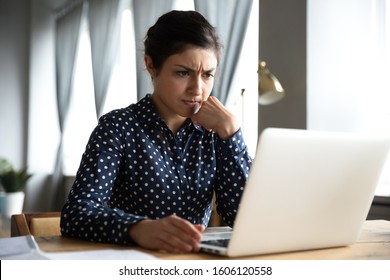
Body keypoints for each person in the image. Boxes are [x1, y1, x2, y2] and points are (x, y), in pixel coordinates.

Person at [60, 10, 252, 254]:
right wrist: (138, 228)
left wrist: (231, 133)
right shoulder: (118, 127)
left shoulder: (215, 132)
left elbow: (244, 219)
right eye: (183, 73)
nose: (197, 89)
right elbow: (77, 213)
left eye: (207, 75)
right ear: (151, 65)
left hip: (193, 264)